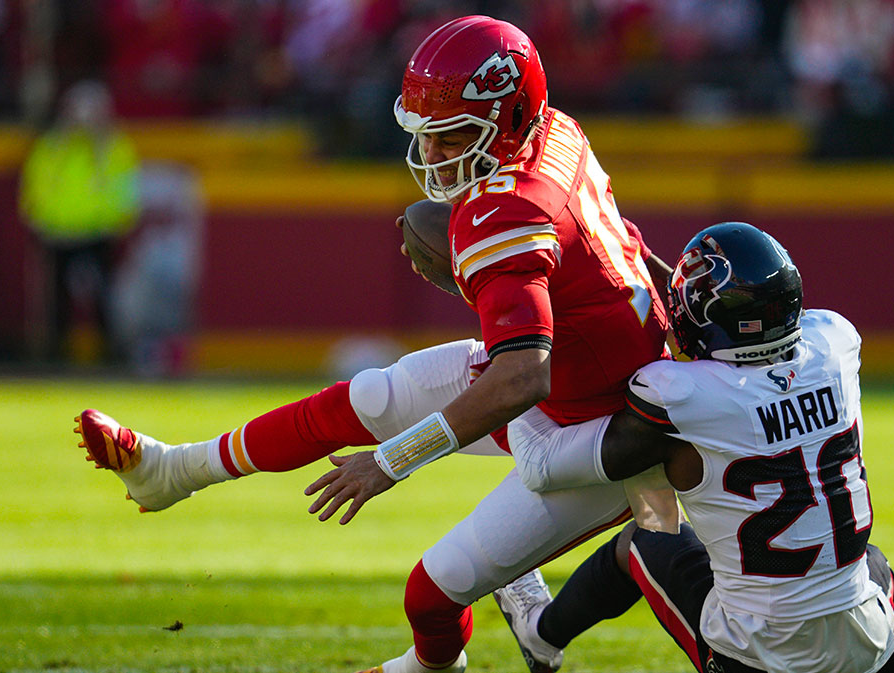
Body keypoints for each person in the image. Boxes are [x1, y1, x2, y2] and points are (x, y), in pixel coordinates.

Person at [76, 15, 669, 673]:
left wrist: (392, 461)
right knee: (366, 396)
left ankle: (432, 664)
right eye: (430, 136)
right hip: (576, 373)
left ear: (507, 120)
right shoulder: (556, 131)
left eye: (453, 138)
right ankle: (172, 471)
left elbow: (519, 379)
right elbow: (627, 250)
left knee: (431, 595)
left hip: (598, 429)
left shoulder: (508, 208)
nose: (436, 156)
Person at [489, 222, 894, 673]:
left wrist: (520, 386)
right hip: (866, 647)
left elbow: (542, 468)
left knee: (647, 533)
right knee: (868, 563)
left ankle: (540, 632)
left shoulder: (678, 392)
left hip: (752, 659)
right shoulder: (835, 343)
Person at [20, 81, 141, 362]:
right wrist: (39, 219)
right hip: (57, 232)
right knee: (55, 301)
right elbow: (34, 185)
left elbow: (125, 188)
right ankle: (53, 355)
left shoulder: (114, 148)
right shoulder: (51, 147)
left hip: (99, 232)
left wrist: (118, 222)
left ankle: (111, 354)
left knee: (105, 299)